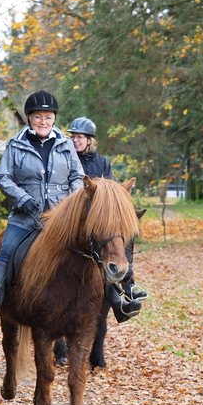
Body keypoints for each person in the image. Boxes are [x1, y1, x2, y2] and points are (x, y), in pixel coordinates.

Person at [0, 90, 84, 328]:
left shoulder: (66, 144)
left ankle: (120, 296)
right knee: (6, 251)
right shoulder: (15, 145)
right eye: (38, 117)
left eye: (47, 117)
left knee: (94, 247)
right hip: (25, 216)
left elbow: (78, 176)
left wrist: (69, 202)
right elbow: (3, 177)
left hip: (61, 217)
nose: (43, 122)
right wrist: (22, 198)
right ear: (29, 118)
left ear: (54, 118)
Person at [67, 116, 147, 320]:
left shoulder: (102, 162)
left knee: (122, 236)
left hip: (100, 218)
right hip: (76, 218)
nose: (76, 140)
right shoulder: (67, 159)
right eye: (73, 137)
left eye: (80, 137)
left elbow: (112, 194)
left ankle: (129, 285)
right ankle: (118, 301)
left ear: (89, 140)